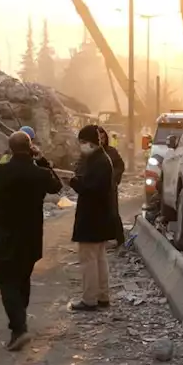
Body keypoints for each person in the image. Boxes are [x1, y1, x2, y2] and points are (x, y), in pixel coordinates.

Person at [0, 131, 63, 350]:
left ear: (10, 149)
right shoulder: (40, 173)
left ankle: (19, 329)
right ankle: (20, 318)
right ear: (30, 148)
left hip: (4, 235)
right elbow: (57, 187)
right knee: (23, 277)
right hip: (31, 236)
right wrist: (42, 160)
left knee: (7, 281)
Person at [68, 124, 114, 311]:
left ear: (89, 143)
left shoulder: (98, 162)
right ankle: (102, 296)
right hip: (100, 217)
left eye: (82, 142)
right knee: (99, 259)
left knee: (88, 261)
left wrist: (73, 182)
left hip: (91, 218)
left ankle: (89, 299)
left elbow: (90, 189)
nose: (81, 146)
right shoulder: (101, 159)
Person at [97, 127, 127, 245]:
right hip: (96, 188)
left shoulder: (111, 152)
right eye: (99, 138)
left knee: (113, 213)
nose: (101, 141)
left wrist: (114, 178)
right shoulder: (91, 153)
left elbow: (120, 166)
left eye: (103, 138)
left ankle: (119, 239)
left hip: (110, 187)